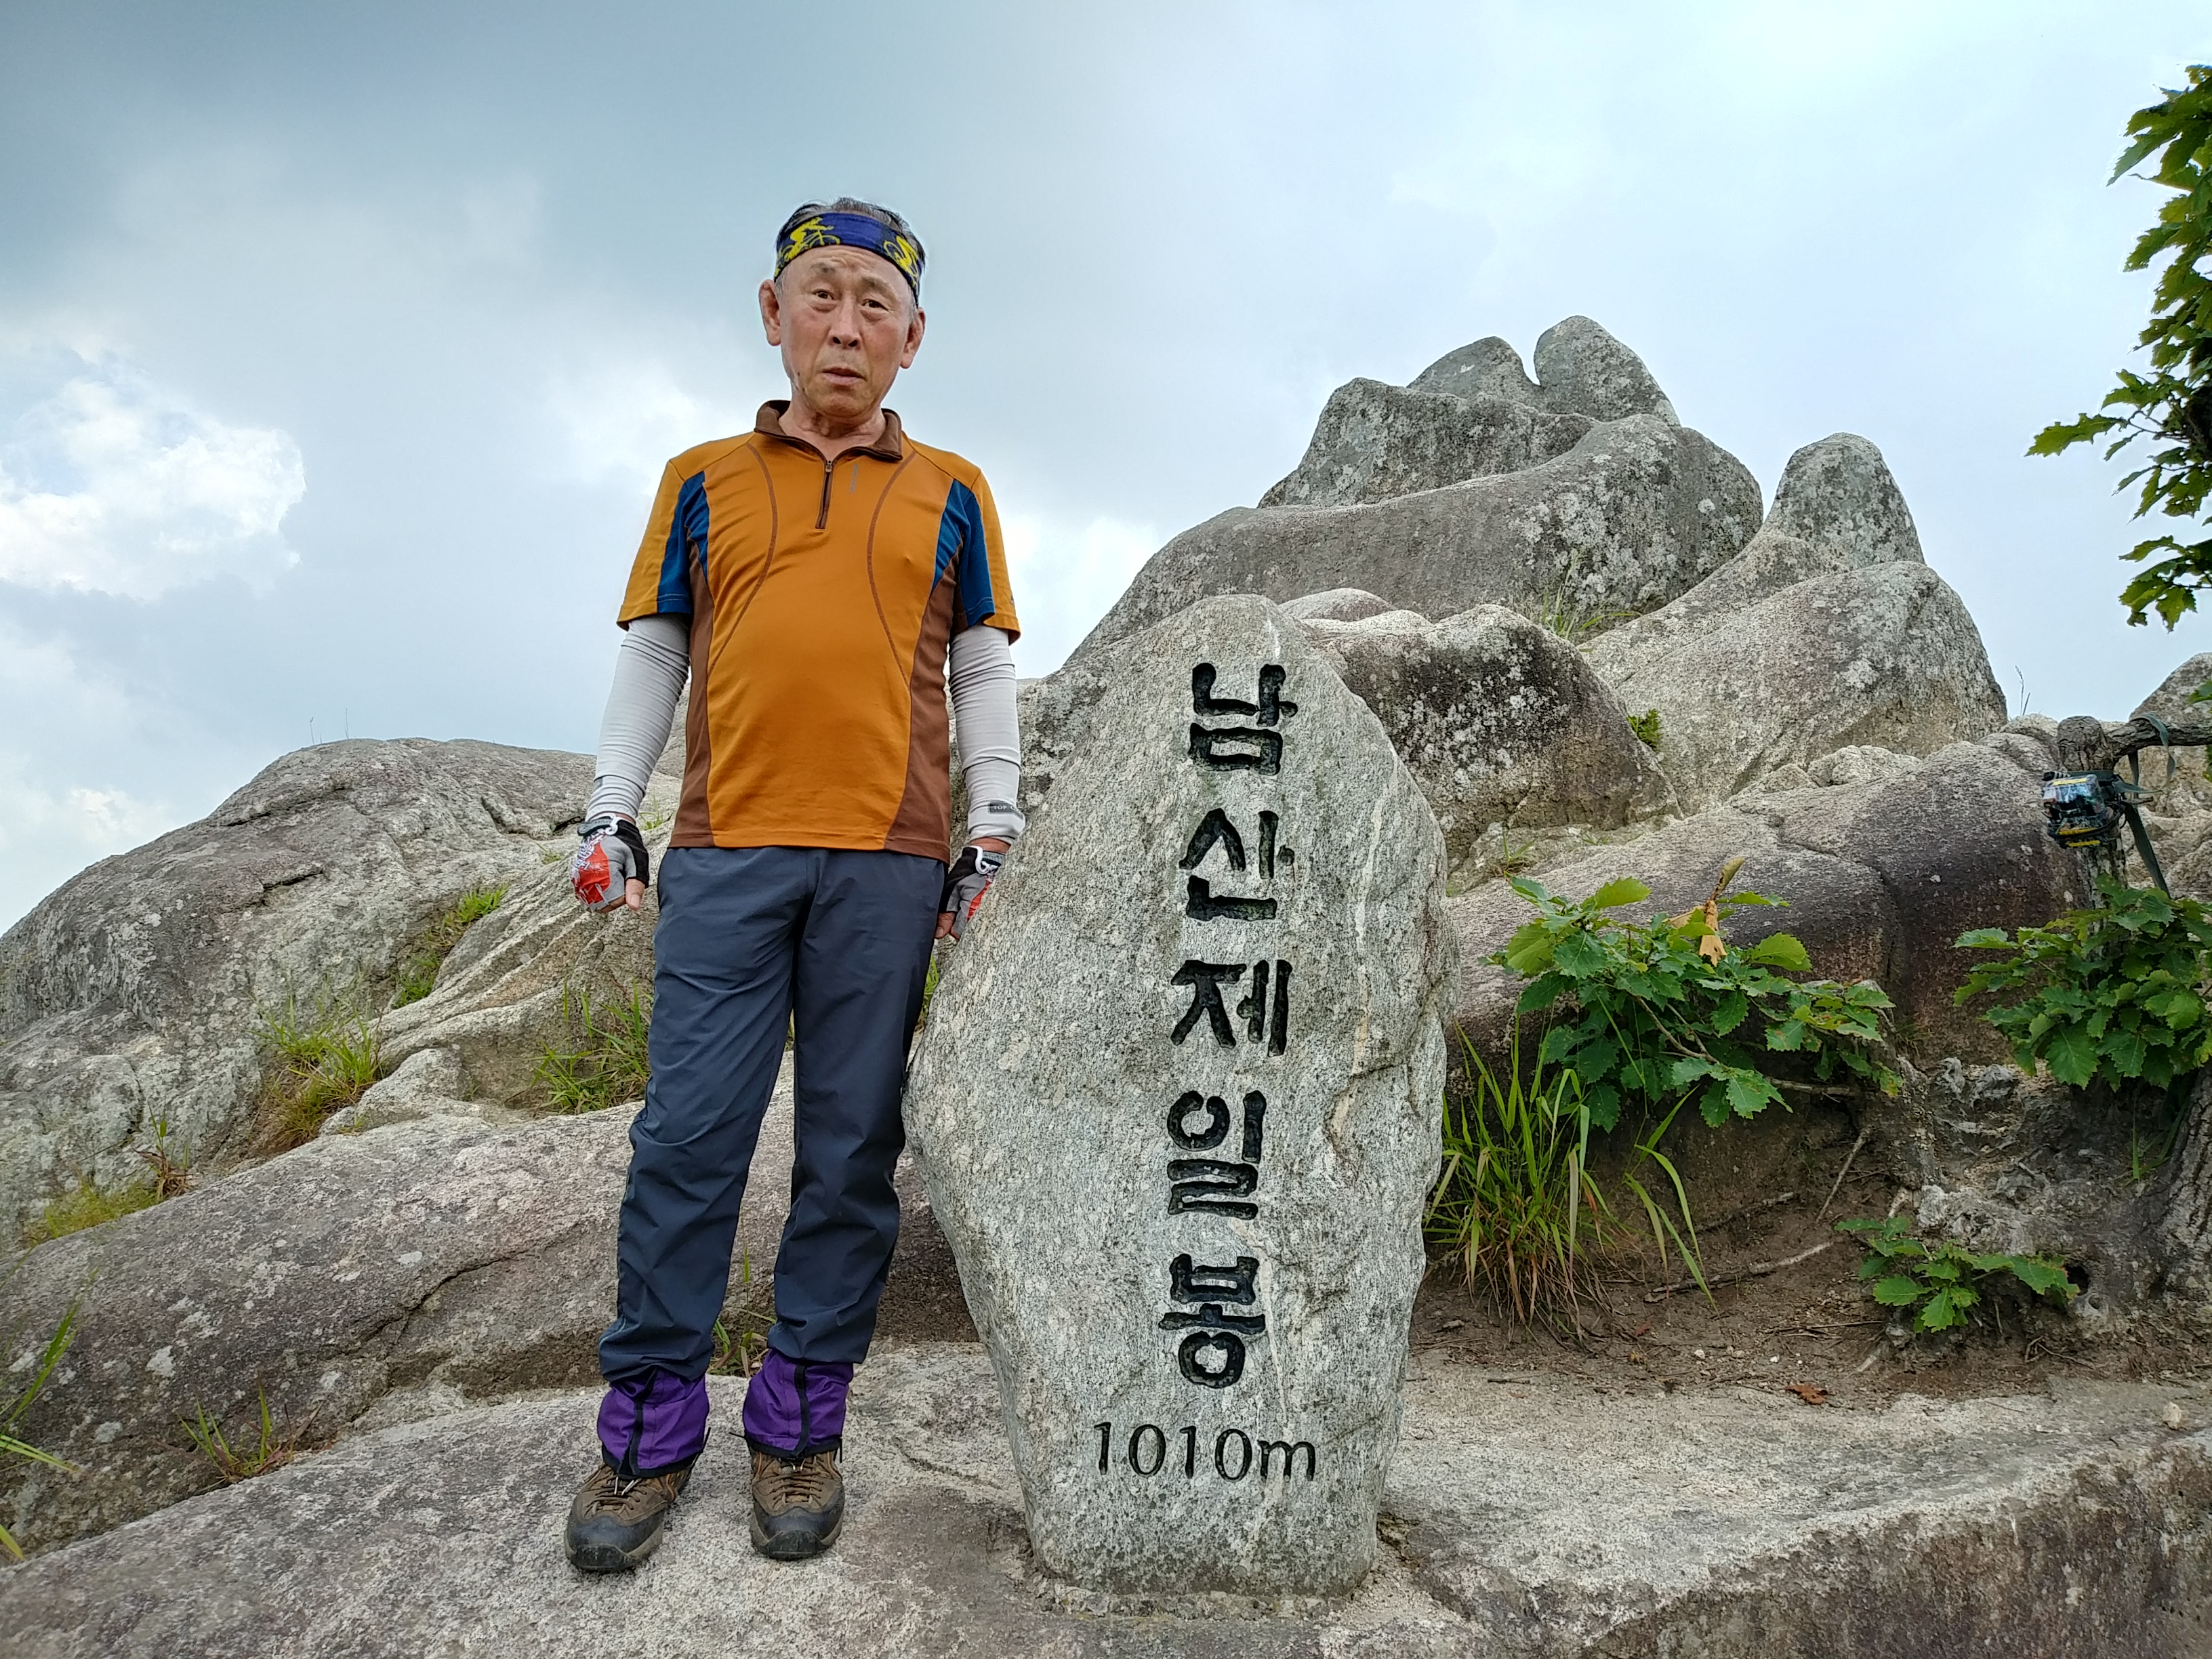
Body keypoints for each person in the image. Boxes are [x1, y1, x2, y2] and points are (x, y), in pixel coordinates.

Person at [560, 198, 1023, 1572]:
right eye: (822, 294)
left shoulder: (954, 490)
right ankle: (647, 1433)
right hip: (726, 850)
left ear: (913, 339)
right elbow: (657, 646)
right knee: (686, 1140)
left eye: (876, 305)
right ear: (773, 313)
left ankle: (800, 1424)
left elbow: (982, 661)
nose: (846, 325)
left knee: (850, 1155)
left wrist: (994, 823)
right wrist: (611, 811)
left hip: (890, 864)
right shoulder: (702, 478)